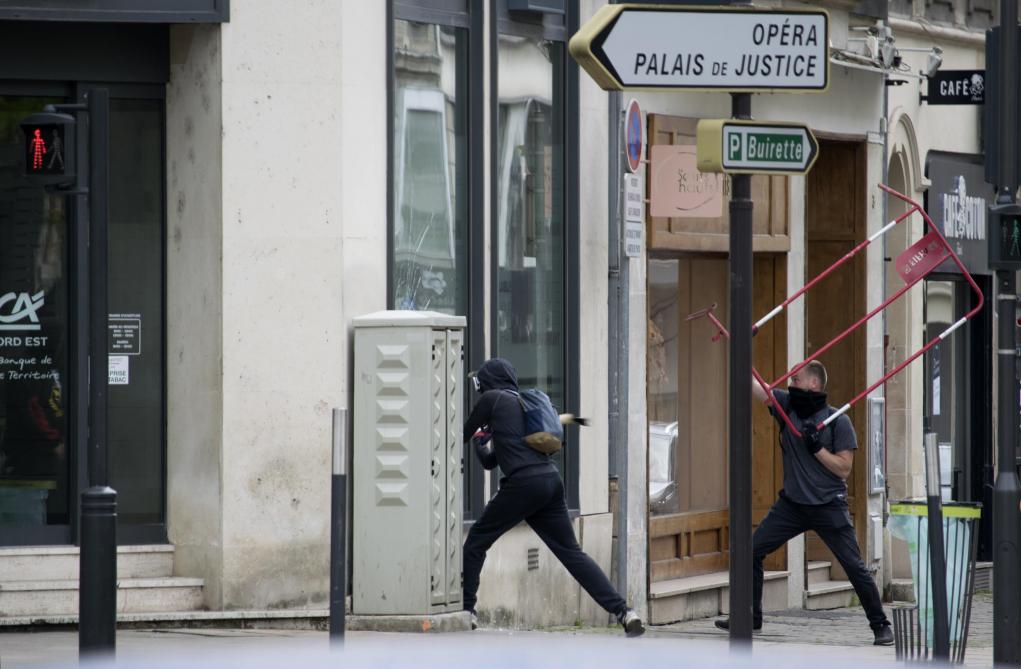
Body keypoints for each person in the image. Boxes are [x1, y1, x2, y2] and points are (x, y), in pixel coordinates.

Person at [714, 360, 894, 646]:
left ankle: (881, 626)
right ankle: (750, 617)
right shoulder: (787, 407)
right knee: (749, 551)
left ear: (813, 383)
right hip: (792, 506)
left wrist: (817, 448)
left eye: (795, 379)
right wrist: (741, 349)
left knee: (854, 566)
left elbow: (843, 468)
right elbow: (755, 387)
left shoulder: (838, 420)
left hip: (828, 506)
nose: (790, 383)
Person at [461, 357, 644, 637]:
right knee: (572, 554)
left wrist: (474, 434)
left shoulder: (492, 400)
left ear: (487, 383)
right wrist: (481, 442)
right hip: (550, 482)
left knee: (475, 540)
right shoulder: (524, 407)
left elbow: (460, 433)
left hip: (522, 485)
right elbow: (490, 462)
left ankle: (466, 611)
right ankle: (624, 611)